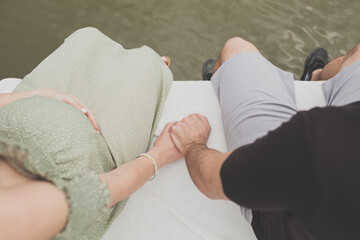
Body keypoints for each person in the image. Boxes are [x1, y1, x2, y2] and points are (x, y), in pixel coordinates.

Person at [0, 27, 182, 240]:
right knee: (147, 65)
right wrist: (159, 155)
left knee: (87, 37)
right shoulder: (18, 219)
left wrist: (35, 95)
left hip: (17, 115)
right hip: (91, 152)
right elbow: (103, 190)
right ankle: (156, 68)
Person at [169, 38, 360, 240]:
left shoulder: (318, 143)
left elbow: (209, 179)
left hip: (276, 219)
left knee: (236, 49)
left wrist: (193, 143)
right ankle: (317, 77)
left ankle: (223, 82)